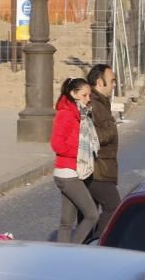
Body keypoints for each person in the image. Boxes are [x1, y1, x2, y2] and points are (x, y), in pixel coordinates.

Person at [51, 77, 100, 244]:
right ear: (73, 94)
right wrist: (80, 152)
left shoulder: (80, 115)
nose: (88, 99)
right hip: (68, 172)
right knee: (91, 214)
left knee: (66, 222)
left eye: (89, 95)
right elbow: (57, 144)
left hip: (72, 171)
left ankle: (62, 257)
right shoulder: (66, 114)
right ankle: (74, 249)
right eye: (84, 95)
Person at [86, 64, 121, 239]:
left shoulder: (101, 102)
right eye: (112, 81)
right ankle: (100, 242)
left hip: (102, 166)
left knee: (90, 215)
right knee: (113, 207)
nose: (114, 84)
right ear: (100, 82)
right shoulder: (93, 103)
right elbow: (90, 134)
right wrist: (111, 131)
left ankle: (85, 245)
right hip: (98, 168)